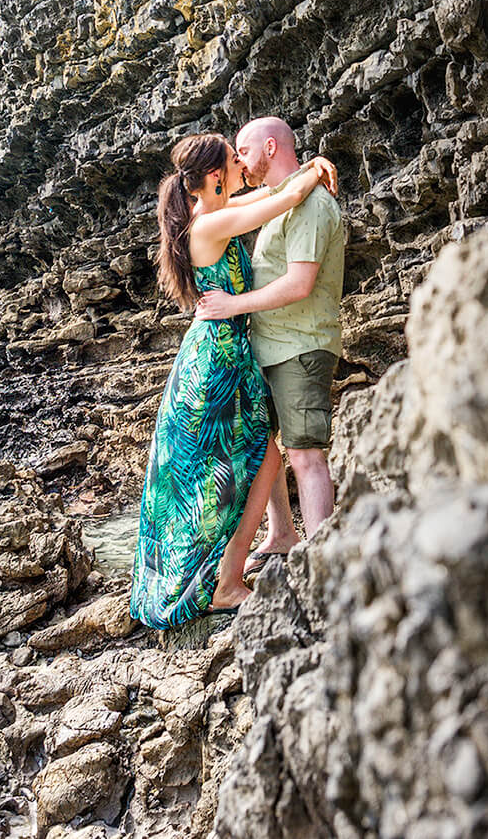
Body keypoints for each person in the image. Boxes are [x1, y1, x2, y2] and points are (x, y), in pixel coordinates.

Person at [130, 131, 338, 628]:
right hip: (217, 358)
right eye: (233, 158)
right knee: (253, 456)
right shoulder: (210, 224)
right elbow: (283, 197)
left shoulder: (209, 214)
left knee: (254, 454)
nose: (242, 165)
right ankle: (226, 579)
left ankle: (270, 542)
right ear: (217, 175)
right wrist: (317, 166)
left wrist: (309, 164)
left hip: (225, 352)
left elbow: (270, 194)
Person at [197, 116, 346, 576]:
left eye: (243, 150)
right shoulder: (281, 201)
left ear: (268, 147)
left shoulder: (312, 206)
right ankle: (282, 534)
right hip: (265, 348)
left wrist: (233, 305)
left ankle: (323, 561)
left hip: (299, 347)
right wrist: (311, 167)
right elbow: (254, 200)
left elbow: (300, 283)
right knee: (264, 450)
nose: (239, 161)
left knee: (305, 452)